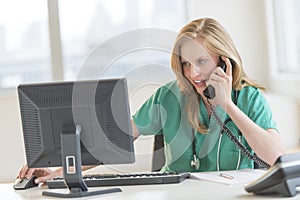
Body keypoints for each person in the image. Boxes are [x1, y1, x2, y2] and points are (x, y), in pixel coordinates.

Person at [17, 17, 285, 184]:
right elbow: (114, 141)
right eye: (186, 63)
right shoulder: (168, 96)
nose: (193, 73)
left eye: (202, 61)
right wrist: (59, 168)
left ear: (223, 61)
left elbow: (275, 157)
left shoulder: (249, 98)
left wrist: (227, 104)